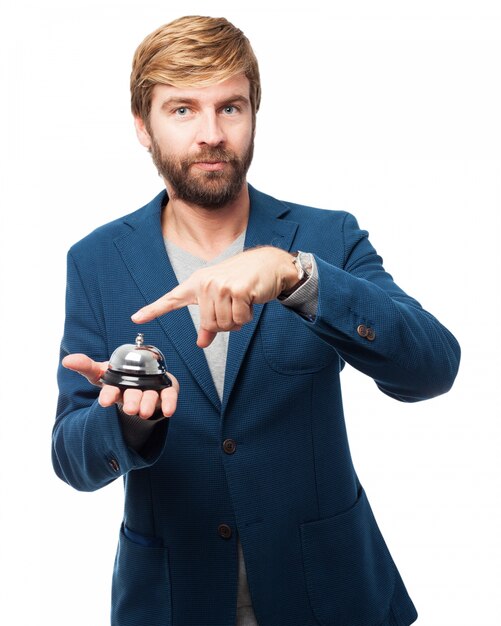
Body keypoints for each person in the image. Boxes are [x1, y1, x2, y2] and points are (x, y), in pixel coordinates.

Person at [52, 15, 460, 626]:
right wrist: (128, 430)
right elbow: (69, 455)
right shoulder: (96, 261)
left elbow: (432, 366)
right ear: (143, 125)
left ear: (253, 114)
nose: (211, 134)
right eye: (183, 110)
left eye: (231, 108)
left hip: (328, 595)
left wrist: (298, 277)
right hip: (171, 600)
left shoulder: (325, 238)